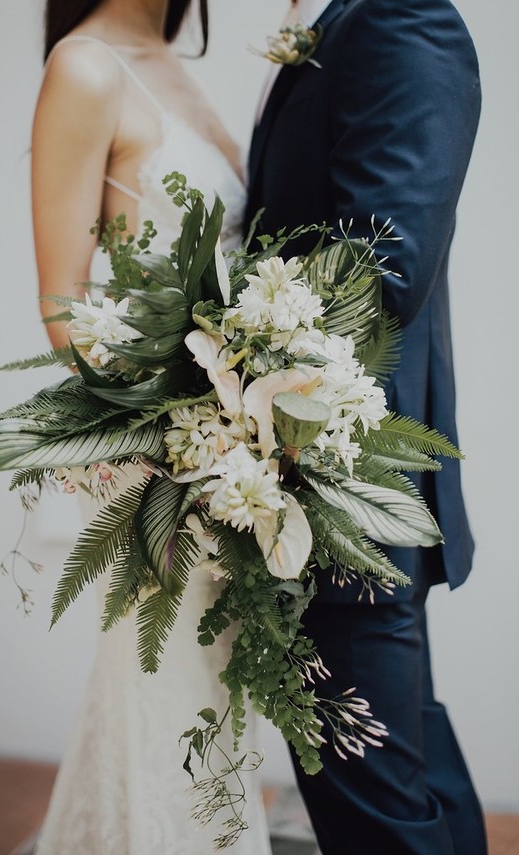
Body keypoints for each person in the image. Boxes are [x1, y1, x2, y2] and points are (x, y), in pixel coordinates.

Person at [245, 0, 487, 853]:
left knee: (376, 815)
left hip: (343, 486)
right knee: (402, 778)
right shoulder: (355, 18)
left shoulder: (401, 17)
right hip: (331, 494)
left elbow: (380, 268)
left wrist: (229, 369)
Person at [31, 1, 272, 852]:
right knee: (171, 706)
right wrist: (163, 434)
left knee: (215, 708)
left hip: (240, 458)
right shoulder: (87, 66)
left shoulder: (168, 57)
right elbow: (64, 301)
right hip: (171, 465)